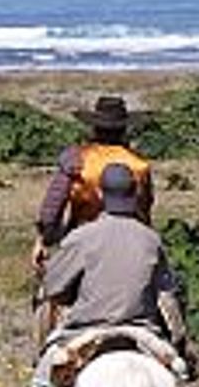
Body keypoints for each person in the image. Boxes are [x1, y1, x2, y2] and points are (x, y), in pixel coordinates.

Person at [27, 162, 191, 387]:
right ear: (134, 195)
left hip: (86, 333)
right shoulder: (151, 240)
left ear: (101, 194)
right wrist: (181, 342)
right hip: (142, 333)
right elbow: (167, 298)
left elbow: (54, 288)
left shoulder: (82, 237)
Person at [30, 95, 152, 274]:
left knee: (56, 290)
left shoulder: (76, 159)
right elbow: (146, 207)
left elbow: (53, 205)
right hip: (131, 240)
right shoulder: (140, 165)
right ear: (124, 129)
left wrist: (44, 239)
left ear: (94, 128)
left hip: (83, 237)